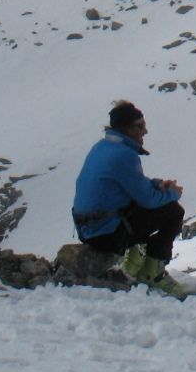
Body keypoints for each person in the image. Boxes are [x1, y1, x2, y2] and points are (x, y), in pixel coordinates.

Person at [72, 100, 188, 297]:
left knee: (135, 207)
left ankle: (133, 263)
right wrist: (172, 193)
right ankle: (152, 272)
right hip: (105, 235)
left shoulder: (103, 146)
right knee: (174, 211)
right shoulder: (124, 155)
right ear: (127, 129)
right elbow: (149, 200)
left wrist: (156, 183)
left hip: (89, 228)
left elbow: (132, 183)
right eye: (140, 126)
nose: (145, 131)